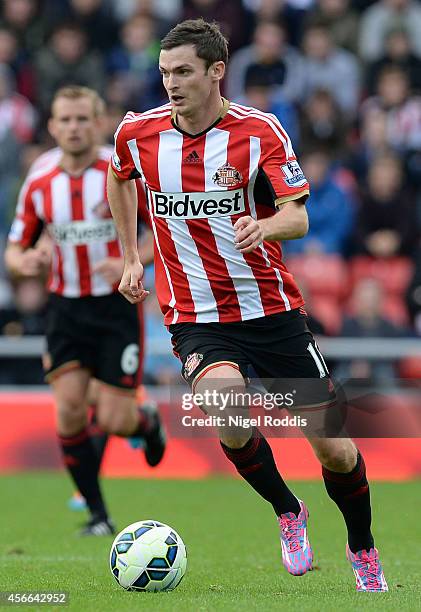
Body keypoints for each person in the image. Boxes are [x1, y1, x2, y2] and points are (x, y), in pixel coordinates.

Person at [107, 19, 388, 591]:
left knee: (334, 449)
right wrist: (131, 255)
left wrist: (264, 226)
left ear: (216, 71)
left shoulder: (260, 131)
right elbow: (120, 180)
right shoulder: (137, 133)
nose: (171, 84)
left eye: (183, 72)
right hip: (196, 316)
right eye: (164, 72)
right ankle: (289, 511)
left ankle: (363, 549)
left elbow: (299, 214)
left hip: (272, 311)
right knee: (226, 409)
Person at [5, 86, 165, 536]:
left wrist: (132, 259)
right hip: (65, 309)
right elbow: (15, 250)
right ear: (52, 126)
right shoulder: (40, 180)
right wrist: (27, 262)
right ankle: (98, 515)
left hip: (116, 306)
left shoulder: (121, 173)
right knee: (70, 410)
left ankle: (146, 421)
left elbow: (164, 234)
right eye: (65, 120)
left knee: (115, 418)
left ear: (98, 123)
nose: (74, 127)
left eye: (82, 119)